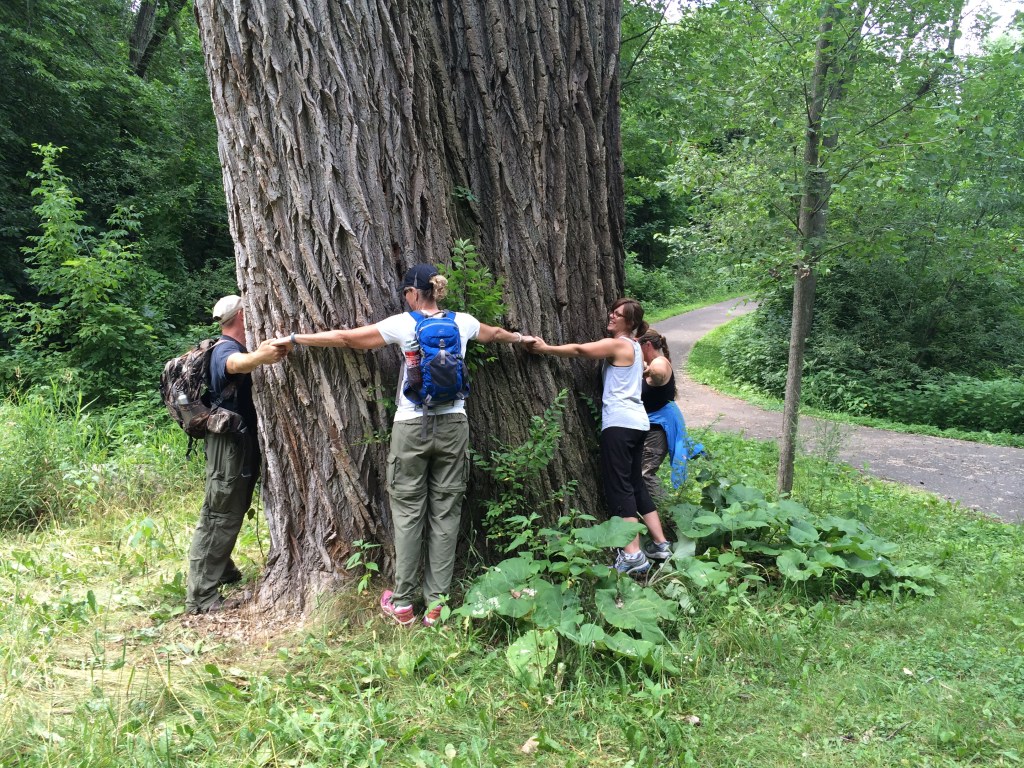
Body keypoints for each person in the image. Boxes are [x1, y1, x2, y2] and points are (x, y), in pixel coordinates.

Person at [271, 264, 530, 627]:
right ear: (437, 290)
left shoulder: (403, 324)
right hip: (455, 423)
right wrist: (522, 340)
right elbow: (496, 334)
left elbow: (348, 339)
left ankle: (404, 601)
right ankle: (438, 603)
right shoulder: (464, 322)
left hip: (411, 425)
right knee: (446, 511)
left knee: (408, 512)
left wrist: (297, 339)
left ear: (412, 293)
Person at [524, 298, 671, 576]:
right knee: (635, 485)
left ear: (630, 323)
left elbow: (581, 350)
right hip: (638, 423)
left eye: (618, 315)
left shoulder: (620, 344)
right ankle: (661, 544)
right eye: (612, 312)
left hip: (620, 424)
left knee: (620, 487)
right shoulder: (637, 349)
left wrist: (546, 348)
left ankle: (633, 555)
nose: (611, 317)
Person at [186, 295, 290, 614]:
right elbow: (234, 366)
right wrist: (260, 356)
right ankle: (201, 596)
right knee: (220, 513)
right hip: (228, 446)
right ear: (243, 316)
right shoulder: (226, 350)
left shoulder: (229, 347)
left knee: (229, 506)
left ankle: (224, 571)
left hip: (234, 445)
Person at [637, 330, 704, 501]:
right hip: (650, 427)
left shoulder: (659, 362)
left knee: (645, 473)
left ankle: (669, 514)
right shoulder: (656, 360)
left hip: (658, 430)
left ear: (648, 345)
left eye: (639, 348)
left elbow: (658, 373)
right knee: (638, 471)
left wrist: (645, 369)